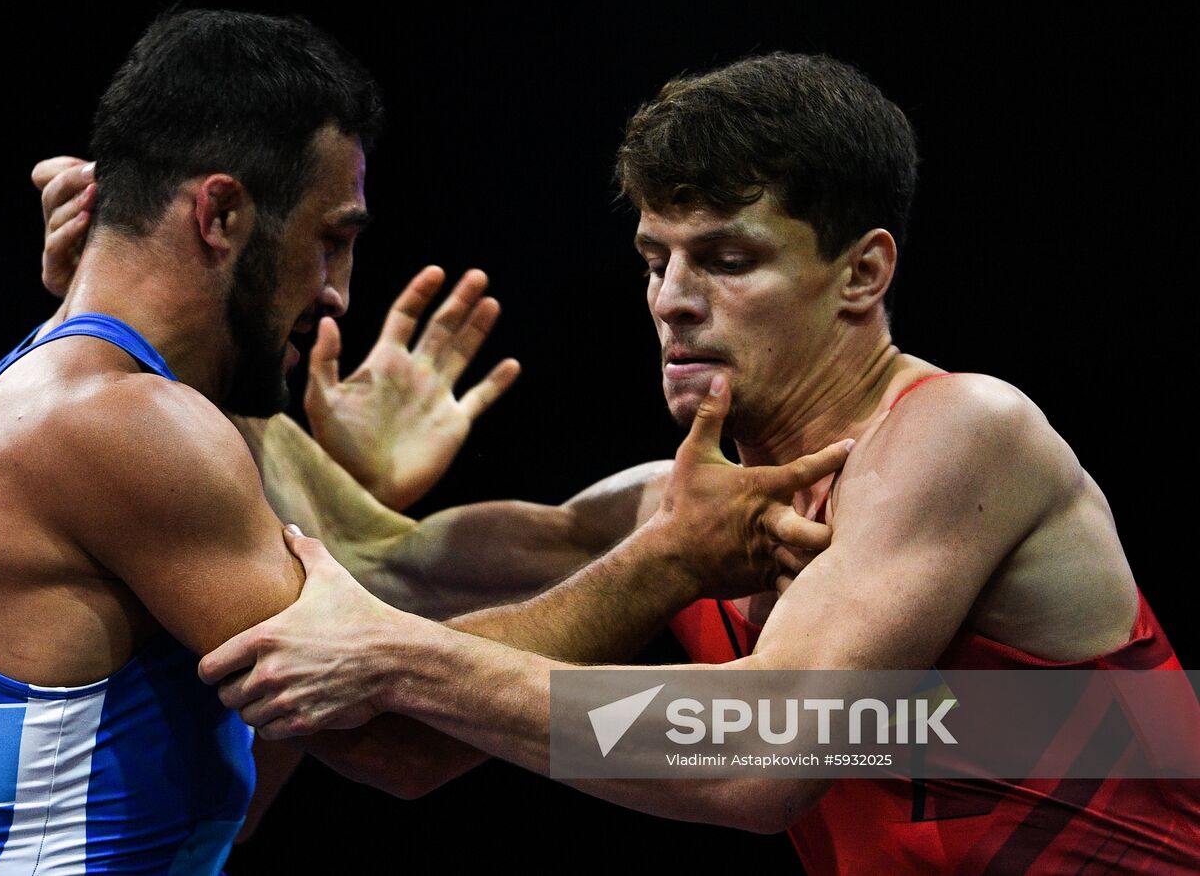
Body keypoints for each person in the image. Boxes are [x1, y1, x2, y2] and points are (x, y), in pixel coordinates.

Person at [200, 53, 1200, 873]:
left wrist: (406, 655)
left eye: (725, 260)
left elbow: (765, 762)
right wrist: (186, 333)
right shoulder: (678, 509)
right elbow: (392, 563)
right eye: (653, 260)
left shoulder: (963, 432)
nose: (671, 299)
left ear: (862, 272)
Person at [0, 11, 847, 874]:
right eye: (332, 239)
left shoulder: (124, 410)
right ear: (222, 215)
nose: (338, 294)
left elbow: (397, 580)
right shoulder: (116, 425)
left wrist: (349, 489)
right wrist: (668, 560)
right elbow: (399, 744)